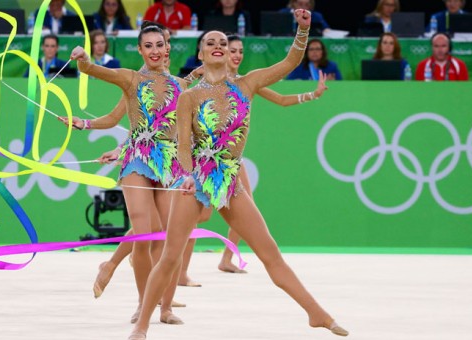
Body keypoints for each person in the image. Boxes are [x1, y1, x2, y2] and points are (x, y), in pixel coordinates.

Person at [125, 10, 349, 340]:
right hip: (196, 183)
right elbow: (183, 145)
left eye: (223, 42)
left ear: (230, 53)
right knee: (170, 257)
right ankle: (142, 325)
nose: (218, 45)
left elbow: (289, 62)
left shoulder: (248, 84)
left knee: (270, 252)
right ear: (200, 54)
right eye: (210, 42)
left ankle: (316, 313)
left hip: (230, 182)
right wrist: (186, 174)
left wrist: (303, 28)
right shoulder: (189, 96)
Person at [70, 24, 189, 326]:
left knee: (165, 238)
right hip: (137, 160)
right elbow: (97, 77)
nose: (154, 51)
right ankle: (143, 305)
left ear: (168, 47)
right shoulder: (131, 79)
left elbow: (181, 130)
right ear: (139, 50)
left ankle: (161, 305)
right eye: (147, 46)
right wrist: (84, 61)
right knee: (144, 233)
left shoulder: (180, 86)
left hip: (168, 163)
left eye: (159, 44)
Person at [217, 34, 329, 273]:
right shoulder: (208, 82)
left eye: (240, 51)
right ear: (221, 52)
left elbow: (280, 99)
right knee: (198, 215)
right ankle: (145, 244)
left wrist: (312, 94)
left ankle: (226, 258)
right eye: (232, 50)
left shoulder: (247, 82)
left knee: (246, 206)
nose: (236, 55)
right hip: (211, 158)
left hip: (234, 158)